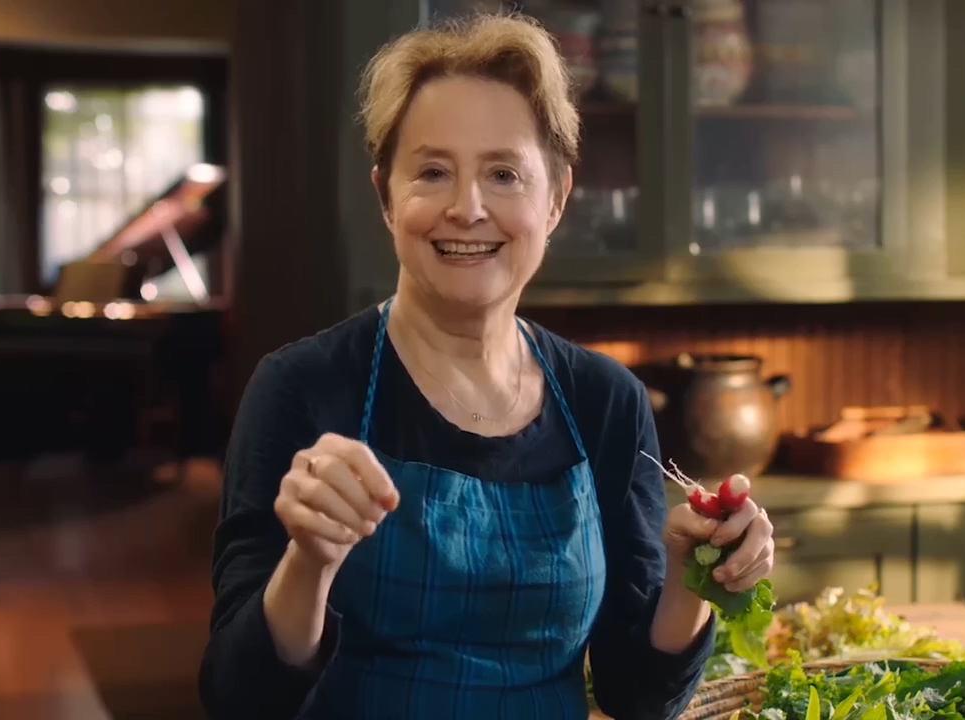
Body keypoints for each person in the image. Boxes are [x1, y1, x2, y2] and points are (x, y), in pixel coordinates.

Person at [198, 12, 776, 720]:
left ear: (555, 199)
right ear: (386, 198)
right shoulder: (301, 388)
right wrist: (309, 561)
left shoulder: (605, 402)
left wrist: (694, 581)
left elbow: (635, 696)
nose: (467, 208)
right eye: (432, 172)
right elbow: (236, 700)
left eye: (504, 174)